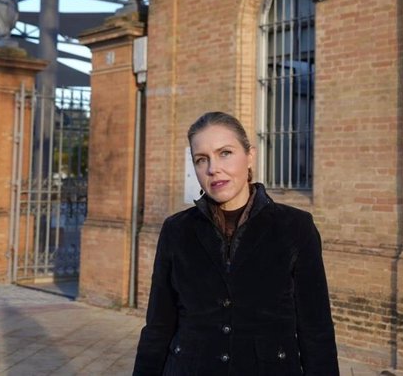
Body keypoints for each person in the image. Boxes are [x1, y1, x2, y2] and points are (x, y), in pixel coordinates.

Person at [133, 111, 339, 376]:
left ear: (249, 155)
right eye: (201, 159)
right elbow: (158, 327)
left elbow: (316, 330)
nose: (213, 168)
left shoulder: (295, 228)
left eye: (225, 153)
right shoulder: (177, 230)